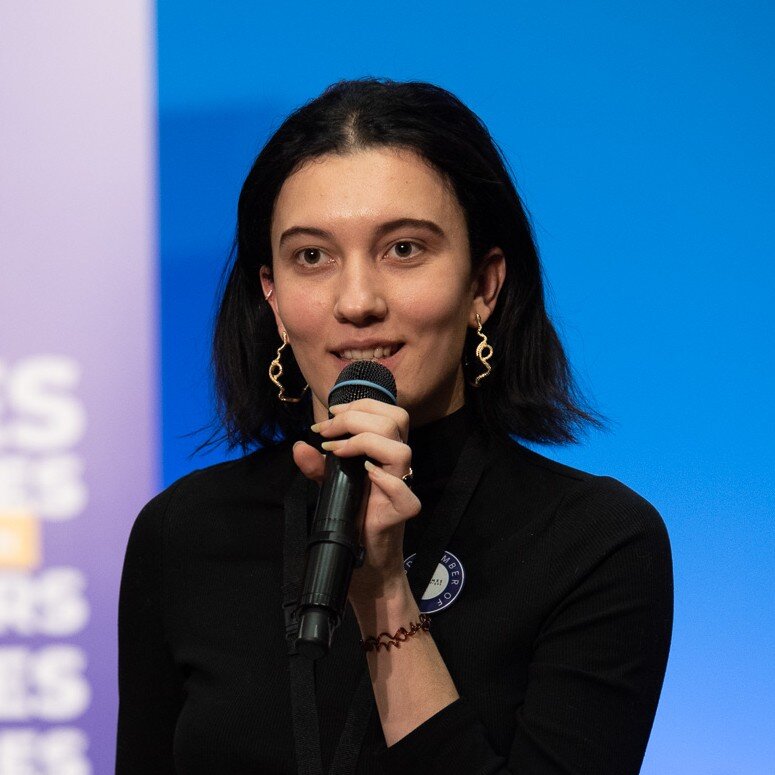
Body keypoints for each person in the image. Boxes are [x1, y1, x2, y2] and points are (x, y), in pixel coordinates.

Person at [116, 78, 673, 774]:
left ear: (483, 285)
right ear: (275, 299)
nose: (357, 301)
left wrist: (381, 593)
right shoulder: (185, 531)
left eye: (403, 249)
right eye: (311, 256)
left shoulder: (595, 540)